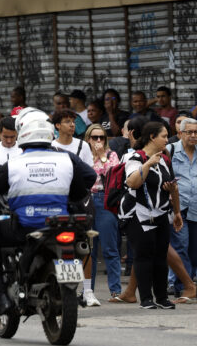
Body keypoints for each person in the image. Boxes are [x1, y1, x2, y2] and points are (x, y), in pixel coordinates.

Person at [0, 107, 97, 316]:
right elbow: (83, 187)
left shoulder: (13, 164)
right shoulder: (66, 159)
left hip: (25, 227)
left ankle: (2, 297)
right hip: (60, 224)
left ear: (22, 134)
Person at [120, 122, 184, 309]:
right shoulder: (133, 157)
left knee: (160, 255)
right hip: (138, 214)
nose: (167, 139)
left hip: (161, 212)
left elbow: (174, 187)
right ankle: (146, 298)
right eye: (164, 136)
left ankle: (162, 297)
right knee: (143, 256)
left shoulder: (165, 158)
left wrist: (177, 212)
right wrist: (148, 163)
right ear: (152, 137)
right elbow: (132, 183)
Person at [82, 123, 122, 305]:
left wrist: (102, 157)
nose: (98, 141)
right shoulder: (83, 154)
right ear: (88, 139)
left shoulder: (111, 155)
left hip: (104, 199)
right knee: (88, 249)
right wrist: (93, 157)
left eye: (101, 137)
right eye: (94, 137)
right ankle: (87, 290)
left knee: (110, 247)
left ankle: (115, 290)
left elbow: (114, 174)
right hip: (86, 199)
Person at [169, 117, 197, 295]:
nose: (193, 136)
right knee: (181, 246)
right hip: (178, 209)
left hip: (196, 208)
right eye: (190, 132)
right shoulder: (171, 151)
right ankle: (182, 285)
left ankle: (188, 282)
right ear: (181, 133)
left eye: (196, 132)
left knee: (194, 250)